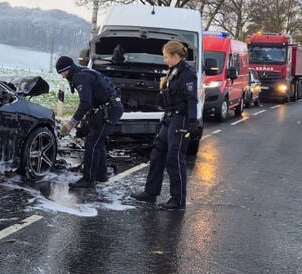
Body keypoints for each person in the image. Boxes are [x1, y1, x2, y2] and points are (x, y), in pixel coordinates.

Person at [131, 41, 198, 210]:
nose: (164, 60)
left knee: (174, 159)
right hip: (169, 118)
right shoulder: (173, 71)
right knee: (157, 154)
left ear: (175, 56)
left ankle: (178, 200)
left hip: (181, 119)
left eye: (166, 57)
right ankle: (150, 192)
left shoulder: (187, 74)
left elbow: (192, 99)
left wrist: (192, 122)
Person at [55, 55, 123, 188]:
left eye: (62, 72)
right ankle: (101, 175)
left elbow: (85, 103)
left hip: (109, 110)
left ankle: (89, 179)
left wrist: (71, 123)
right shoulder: (82, 72)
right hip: (110, 108)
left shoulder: (80, 77)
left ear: (67, 69)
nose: (62, 76)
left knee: (92, 143)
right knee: (98, 141)